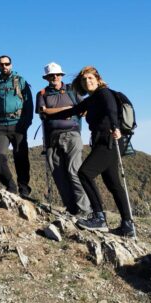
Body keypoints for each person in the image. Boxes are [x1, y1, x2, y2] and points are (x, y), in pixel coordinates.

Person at [41, 66, 135, 237]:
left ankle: (99, 217)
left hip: (110, 140)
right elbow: (72, 111)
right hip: (103, 141)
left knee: (84, 173)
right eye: (84, 80)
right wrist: (48, 116)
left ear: (98, 79)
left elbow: (111, 108)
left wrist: (115, 126)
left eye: (90, 78)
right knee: (113, 184)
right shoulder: (91, 99)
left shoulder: (103, 93)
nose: (87, 82)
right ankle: (127, 225)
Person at [36, 62, 91, 216]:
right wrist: (66, 110)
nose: (55, 77)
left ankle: (85, 209)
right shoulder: (41, 93)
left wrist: (74, 112)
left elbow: (85, 108)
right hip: (52, 138)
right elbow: (43, 112)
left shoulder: (72, 91)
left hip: (72, 134)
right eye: (51, 75)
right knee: (59, 174)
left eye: (57, 74)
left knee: (74, 171)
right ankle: (71, 208)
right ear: (47, 78)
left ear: (61, 75)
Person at [0, 55, 34, 197]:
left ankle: (24, 189)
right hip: (0, 126)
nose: (4, 66)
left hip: (18, 124)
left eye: (7, 63)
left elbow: (29, 103)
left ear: (11, 65)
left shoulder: (20, 81)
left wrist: (26, 123)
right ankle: (10, 186)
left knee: (20, 157)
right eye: (1, 64)